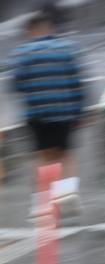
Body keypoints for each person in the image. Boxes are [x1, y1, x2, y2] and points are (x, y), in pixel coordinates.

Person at [9, 13, 84, 215]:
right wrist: (80, 112)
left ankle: (44, 203)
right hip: (65, 113)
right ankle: (68, 197)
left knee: (44, 158)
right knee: (65, 155)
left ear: (31, 31)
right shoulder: (67, 49)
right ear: (50, 29)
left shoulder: (24, 53)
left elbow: (16, 84)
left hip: (38, 114)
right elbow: (77, 83)